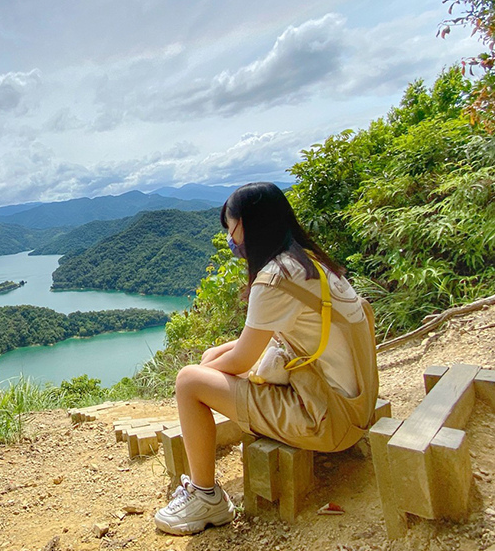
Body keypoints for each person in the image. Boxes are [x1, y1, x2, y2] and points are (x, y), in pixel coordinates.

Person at [154, 182, 378, 536]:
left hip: (328, 421)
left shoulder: (275, 278)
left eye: (231, 229)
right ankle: (203, 461)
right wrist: (213, 362)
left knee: (188, 382)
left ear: (247, 224)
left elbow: (243, 360)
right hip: (354, 404)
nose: (230, 238)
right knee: (212, 357)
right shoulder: (309, 263)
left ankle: (206, 496)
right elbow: (259, 340)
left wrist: (200, 378)